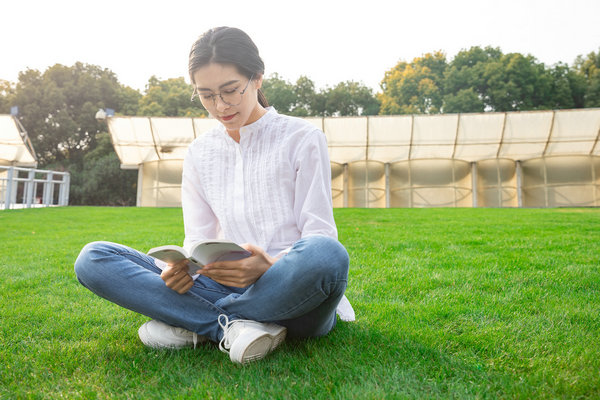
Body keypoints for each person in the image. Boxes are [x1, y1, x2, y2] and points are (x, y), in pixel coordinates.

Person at [74, 26, 353, 365]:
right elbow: (198, 241)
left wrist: (268, 266)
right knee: (94, 258)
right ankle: (229, 327)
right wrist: (181, 269)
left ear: (258, 78)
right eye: (206, 95)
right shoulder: (199, 153)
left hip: (290, 287)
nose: (220, 106)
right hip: (221, 283)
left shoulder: (302, 138)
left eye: (231, 91)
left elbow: (319, 234)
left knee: (327, 255)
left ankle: (195, 323)